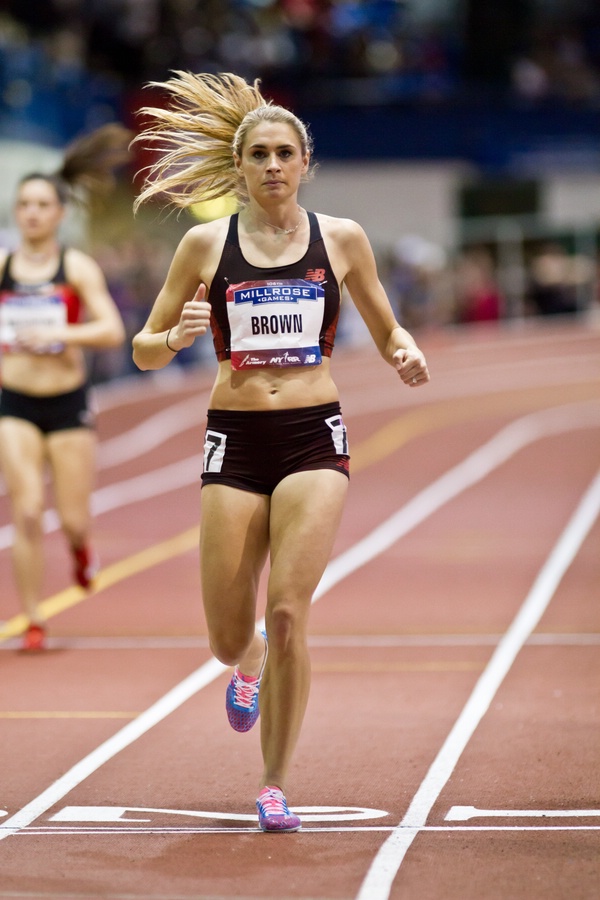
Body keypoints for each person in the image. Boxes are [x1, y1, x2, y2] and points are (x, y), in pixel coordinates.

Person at [131, 72, 429, 833]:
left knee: (292, 611)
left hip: (311, 438)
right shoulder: (204, 243)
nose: (271, 166)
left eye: (284, 153)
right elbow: (141, 351)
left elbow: (386, 325)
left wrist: (403, 350)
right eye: (258, 154)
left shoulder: (343, 239)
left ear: (305, 163)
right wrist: (174, 337)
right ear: (239, 168)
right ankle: (248, 658)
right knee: (228, 635)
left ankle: (273, 782)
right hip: (234, 443)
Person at [0, 124, 129, 652]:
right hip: (13, 401)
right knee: (26, 509)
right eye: (23, 204)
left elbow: (112, 330)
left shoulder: (74, 267)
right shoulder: (3, 267)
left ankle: (80, 548)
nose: (31, 213)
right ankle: (33, 618)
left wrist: (57, 332)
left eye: (41, 205)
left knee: (72, 519)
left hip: (67, 401)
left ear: (59, 213)